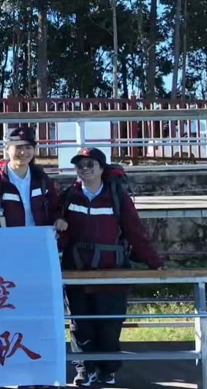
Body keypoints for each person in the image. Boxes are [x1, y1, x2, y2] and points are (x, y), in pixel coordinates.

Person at [60, 148, 164, 387]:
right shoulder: (68, 196)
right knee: (80, 325)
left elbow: (135, 232)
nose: (85, 169)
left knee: (109, 325)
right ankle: (84, 369)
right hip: (77, 271)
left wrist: (155, 262)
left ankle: (108, 370)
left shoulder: (117, 197)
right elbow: (61, 234)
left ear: (101, 168)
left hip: (112, 271)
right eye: (80, 165)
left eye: (90, 164)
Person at [0, 126, 68, 232]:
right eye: (18, 147)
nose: (23, 152)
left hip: (38, 238)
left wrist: (58, 219)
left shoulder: (42, 179)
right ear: (7, 149)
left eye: (28, 147)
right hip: (6, 239)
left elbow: (54, 208)